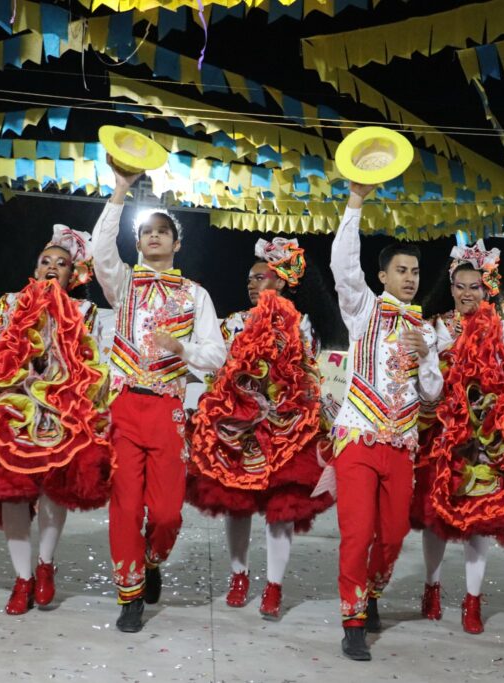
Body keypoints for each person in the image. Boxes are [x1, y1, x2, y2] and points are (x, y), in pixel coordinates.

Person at [0, 225, 114, 615]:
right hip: (10, 409)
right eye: (45, 261)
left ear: (75, 275)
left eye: (62, 263)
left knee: (54, 488)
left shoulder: (86, 312)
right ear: (35, 267)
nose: (52, 267)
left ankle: (45, 564)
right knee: (11, 491)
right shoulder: (7, 304)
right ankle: (22, 579)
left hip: (62, 411)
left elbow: (94, 364)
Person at [91, 158, 226, 634]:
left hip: (168, 409)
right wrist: (119, 191)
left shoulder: (195, 295)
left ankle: (152, 558)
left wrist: (183, 348)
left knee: (167, 513)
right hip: (125, 406)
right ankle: (129, 595)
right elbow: (100, 250)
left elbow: (217, 355)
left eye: (162, 232)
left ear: (176, 243)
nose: (153, 237)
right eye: (146, 232)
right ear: (138, 241)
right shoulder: (123, 285)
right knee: (126, 506)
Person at [187, 237, 335, 619]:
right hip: (240, 429)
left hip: (287, 431)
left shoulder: (303, 325)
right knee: (236, 505)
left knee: (281, 510)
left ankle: (273, 586)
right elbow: (216, 366)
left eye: (260, 277)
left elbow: (307, 374)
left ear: (281, 281)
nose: (252, 284)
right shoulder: (233, 323)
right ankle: (239, 576)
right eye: (249, 279)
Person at [329, 181, 443, 661]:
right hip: (358, 438)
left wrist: (427, 357)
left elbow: (432, 393)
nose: (410, 278)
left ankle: (372, 591)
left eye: (415, 271)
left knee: (393, 536)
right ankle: (353, 620)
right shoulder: (363, 309)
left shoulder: (426, 330)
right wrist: (355, 202)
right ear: (382, 276)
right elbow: (342, 265)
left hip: (401, 445)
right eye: (401, 270)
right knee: (357, 533)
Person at [412, 240, 504, 634]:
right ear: (451, 287)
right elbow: (426, 384)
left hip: (483, 439)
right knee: (436, 519)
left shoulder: (498, 330)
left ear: (487, 290)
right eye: (460, 286)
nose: (467, 294)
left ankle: (472, 601)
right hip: (442, 434)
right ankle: (432, 587)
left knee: (480, 519)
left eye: (475, 287)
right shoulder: (435, 326)